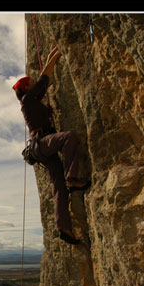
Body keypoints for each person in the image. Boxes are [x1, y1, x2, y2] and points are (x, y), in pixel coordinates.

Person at [13, 46, 90, 245]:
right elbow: (44, 79)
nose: (33, 83)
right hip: (43, 144)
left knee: (58, 187)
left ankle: (64, 228)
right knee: (68, 137)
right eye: (31, 83)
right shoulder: (28, 98)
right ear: (27, 88)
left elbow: (41, 83)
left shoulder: (30, 101)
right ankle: (72, 178)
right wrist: (52, 58)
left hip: (41, 148)